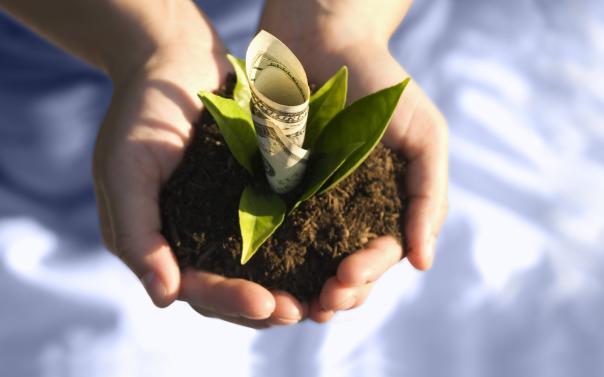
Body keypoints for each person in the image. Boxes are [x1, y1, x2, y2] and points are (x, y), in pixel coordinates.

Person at [1, 0, 448, 328]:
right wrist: (150, 39)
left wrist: (344, 20)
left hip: (373, 15)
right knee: (79, 189)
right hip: (64, 32)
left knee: (123, 204)